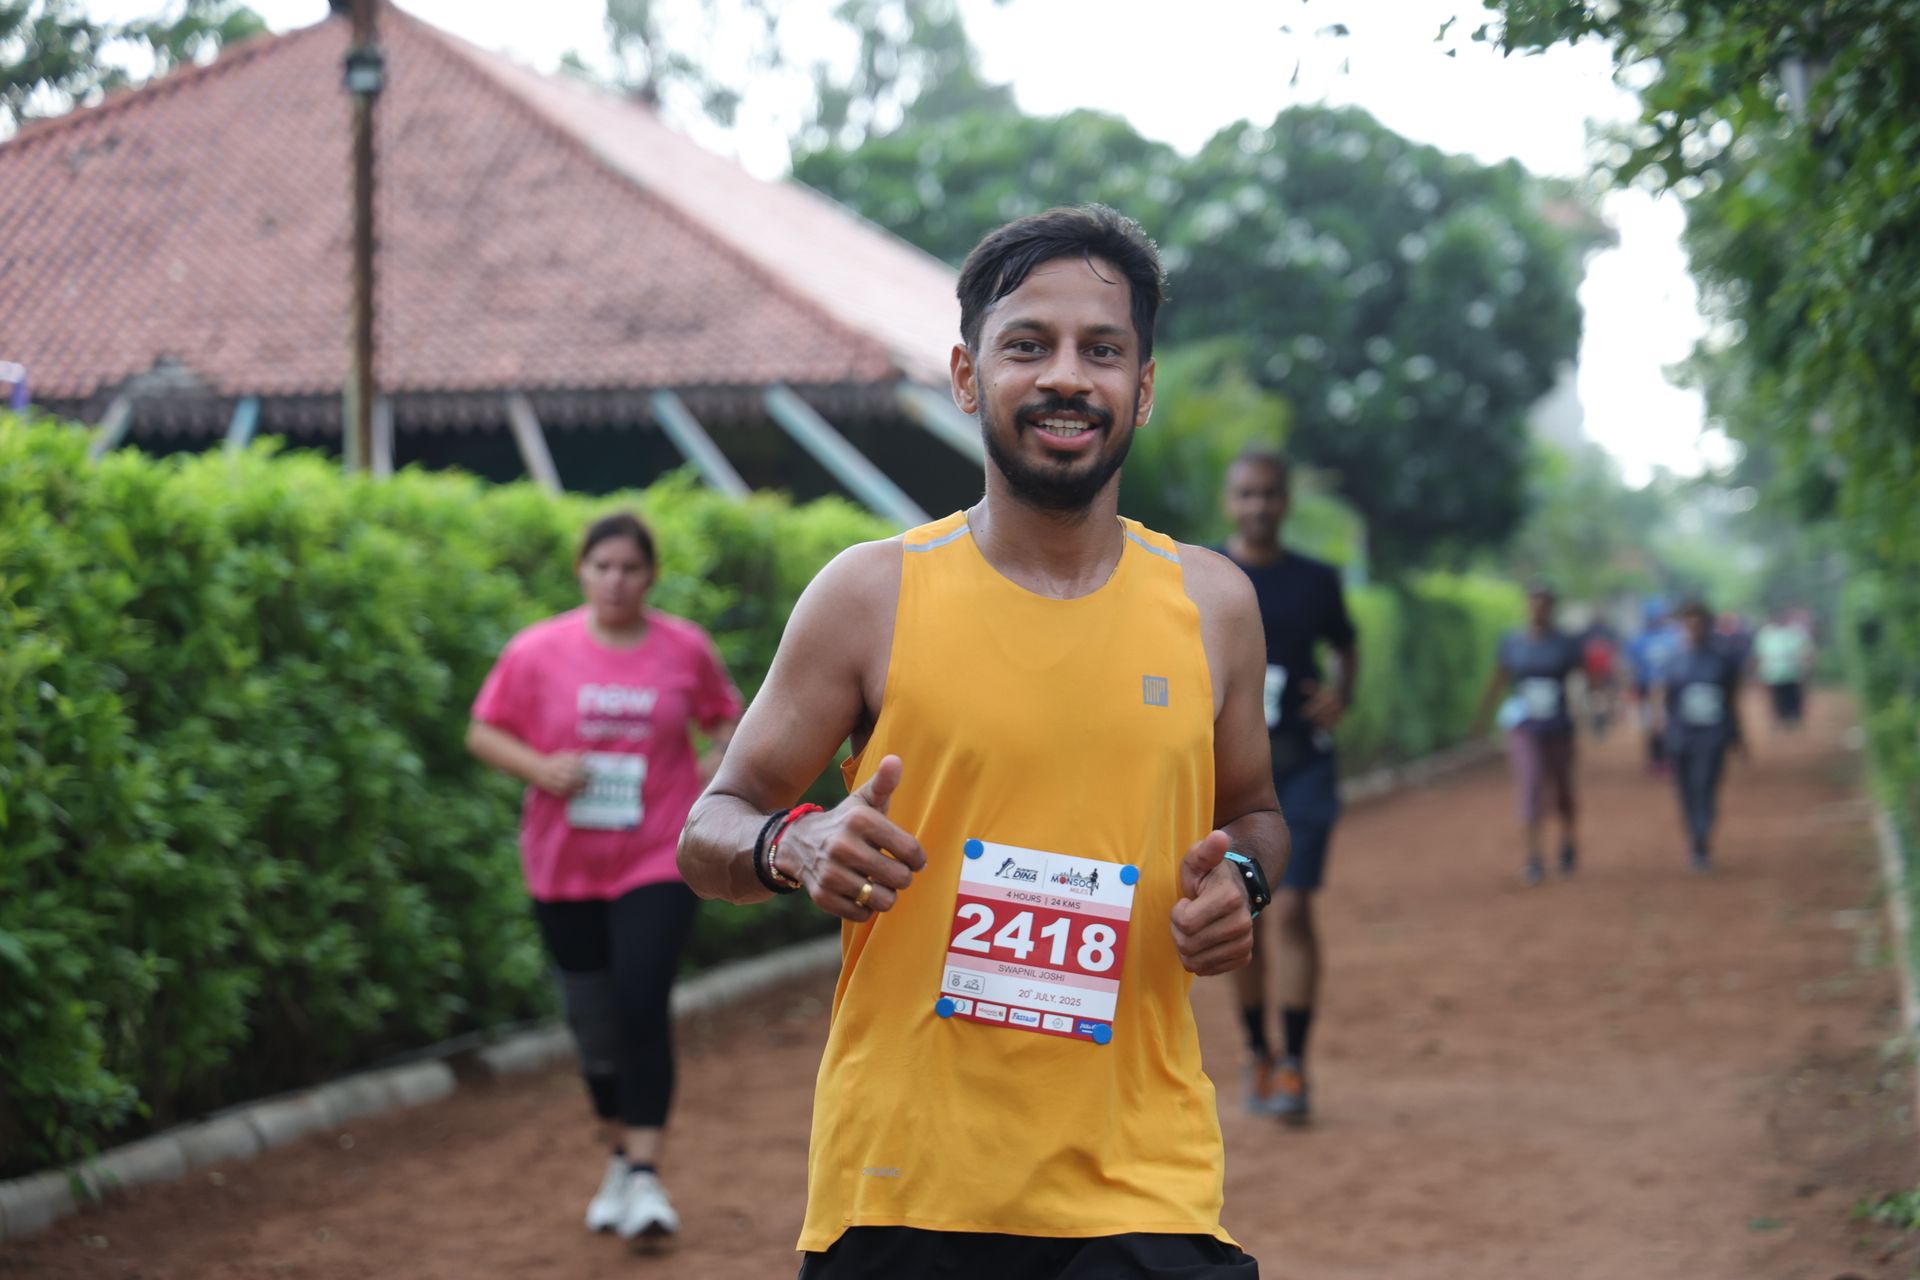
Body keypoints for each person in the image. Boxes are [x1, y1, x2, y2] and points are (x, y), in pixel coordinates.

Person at [679, 205, 1281, 1278]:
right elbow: (708, 828)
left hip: (1144, 1180)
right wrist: (797, 844)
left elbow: (1258, 815)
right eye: (1026, 345)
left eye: (1102, 349)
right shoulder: (871, 594)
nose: (1066, 377)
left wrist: (1240, 874)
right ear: (967, 376)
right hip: (906, 1185)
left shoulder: (1213, 604)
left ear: (1141, 387)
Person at [467, 512, 742, 1244]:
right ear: (581, 572)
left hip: (657, 854)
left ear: (651, 576)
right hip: (564, 862)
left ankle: (647, 1176)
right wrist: (539, 767)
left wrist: (715, 767)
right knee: (593, 1023)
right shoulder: (536, 651)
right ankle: (619, 1155)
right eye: (602, 567)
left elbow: (729, 718)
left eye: (630, 568)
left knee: (641, 998)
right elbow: (482, 729)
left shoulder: (685, 648)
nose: (616, 580)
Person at [1219, 450, 1357, 1124]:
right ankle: (1258, 1052)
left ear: (1287, 500)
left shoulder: (1317, 581)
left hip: (1301, 764)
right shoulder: (1203, 577)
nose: (1259, 507)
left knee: (1296, 908)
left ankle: (1296, 1063)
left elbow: (1347, 645)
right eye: (1246, 495)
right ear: (1228, 502)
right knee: (1242, 907)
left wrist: (1341, 697)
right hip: (1228, 775)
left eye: (1270, 494)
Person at [1474, 585, 1583, 885]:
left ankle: (1568, 841)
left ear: (1551, 608)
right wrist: (1482, 718)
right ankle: (1534, 857)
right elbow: (1499, 678)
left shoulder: (1564, 644)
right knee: (1531, 785)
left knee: (1562, 790)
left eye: (1544, 603)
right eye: (1533, 602)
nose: (1538, 608)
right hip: (1526, 728)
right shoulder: (1512, 642)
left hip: (1558, 728)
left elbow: (1580, 680)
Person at [1661, 599, 1744, 872]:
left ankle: (1701, 838)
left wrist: (1737, 736)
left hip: (1712, 736)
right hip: (1682, 736)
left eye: (1699, 620)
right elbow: (1668, 699)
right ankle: (1694, 836)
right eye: (1689, 620)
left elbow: (1731, 699)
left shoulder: (1722, 659)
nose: (1694, 625)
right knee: (1686, 791)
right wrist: (1665, 734)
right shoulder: (1675, 660)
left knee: (1705, 785)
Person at [1625, 600, 1681, 773]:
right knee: (1650, 725)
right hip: (1645, 688)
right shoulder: (1639, 639)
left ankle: (1669, 757)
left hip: (1669, 689)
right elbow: (1631, 665)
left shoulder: (1673, 637)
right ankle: (1654, 759)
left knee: (1668, 724)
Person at [1752, 606, 1814, 730]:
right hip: (1774, 674)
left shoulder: (1795, 632)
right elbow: (1760, 655)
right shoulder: (1767, 633)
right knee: (1777, 700)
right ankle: (1779, 721)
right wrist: (1759, 674)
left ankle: (1794, 721)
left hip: (1792, 673)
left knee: (1793, 698)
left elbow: (1805, 652)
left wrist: (1806, 669)